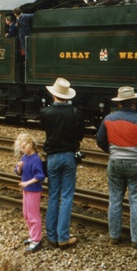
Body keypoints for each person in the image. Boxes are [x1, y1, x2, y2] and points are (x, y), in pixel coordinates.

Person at [96, 86, 137, 248]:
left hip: (115, 162)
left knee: (115, 199)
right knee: (136, 201)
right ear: (134, 102)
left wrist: (113, 152)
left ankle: (114, 236)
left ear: (119, 102)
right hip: (136, 163)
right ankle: (136, 239)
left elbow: (100, 140)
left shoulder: (108, 119)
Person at [40, 78, 85, 249]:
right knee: (66, 197)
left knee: (53, 195)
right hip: (69, 156)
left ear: (54, 95)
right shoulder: (75, 112)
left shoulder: (45, 113)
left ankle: (51, 235)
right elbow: (80, 134)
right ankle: (63, 236)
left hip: (52, 157)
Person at [14, 132, 46, 252]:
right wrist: (19, 167)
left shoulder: (36, 159)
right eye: (21, 148)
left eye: (24, 147)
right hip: (26, 190)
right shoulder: (24, 157)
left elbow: (40, 176)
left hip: (33, 190)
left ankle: (36, 239)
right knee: (26, 214)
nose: (22, 150)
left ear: (31, 144)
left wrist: (27, 183)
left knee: (33, 215)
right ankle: (32, 236)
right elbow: (18, 171)